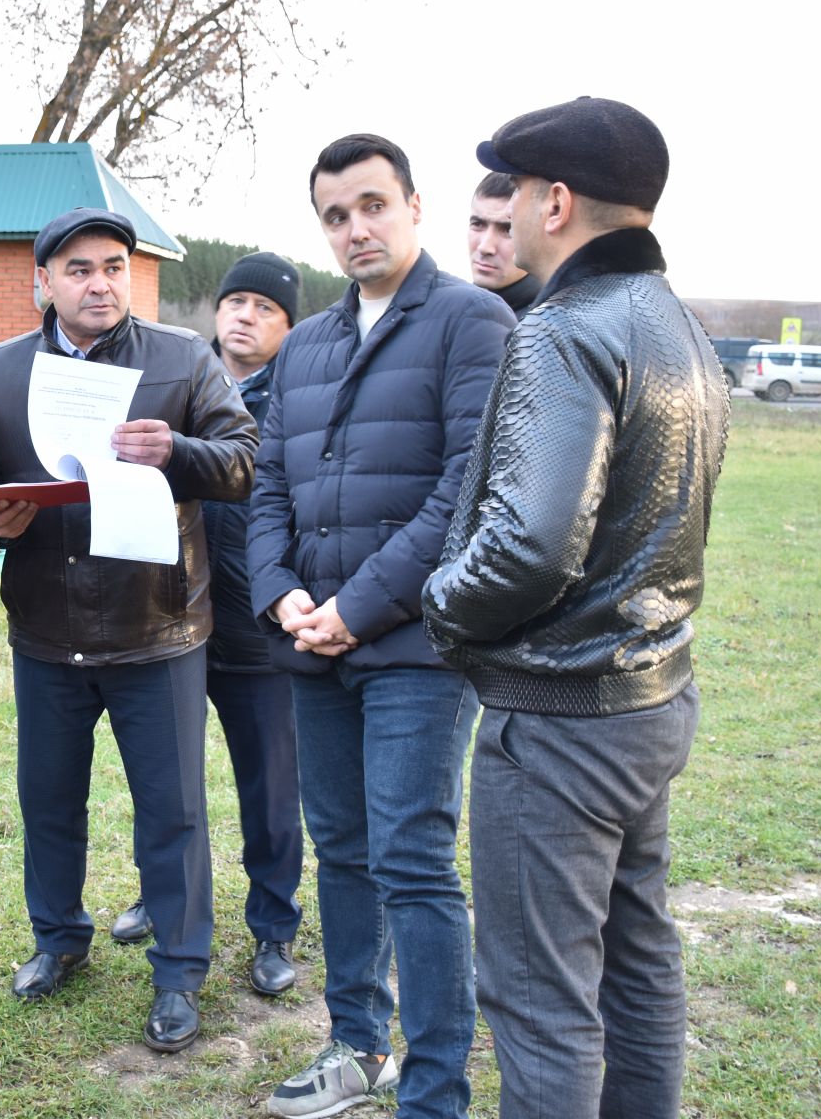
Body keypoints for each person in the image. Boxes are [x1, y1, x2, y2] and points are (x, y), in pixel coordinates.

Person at [424, 97, 729, 1119]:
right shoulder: (678, 323)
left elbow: (529, 543)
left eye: (508, 190)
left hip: (560, 714)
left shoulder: (565, 327)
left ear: (556, 201)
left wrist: (441, 604)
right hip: (648, 700)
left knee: (540, 999)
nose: (499, 212)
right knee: (637, 962)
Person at [246, 134, 513, 1119]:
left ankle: (435, 1085)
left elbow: (464, 495)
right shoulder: (308, 343)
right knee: (343, 849)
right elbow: (268, 482)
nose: (355, 228)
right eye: (335, 214)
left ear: (412, 206)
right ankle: (355, 1044)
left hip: (416, 650)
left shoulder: (472, 322)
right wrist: (280, 593)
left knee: (410, 856)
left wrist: (356, 607)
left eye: (371, 205)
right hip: (311, 647)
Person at [0, 207, 256, 1054]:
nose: (100, 283)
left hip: (156, 625)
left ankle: (180, 969)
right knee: (48, 798)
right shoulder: (4, 370)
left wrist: (178, 450)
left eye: (114, 266)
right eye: (79, 269)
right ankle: (59, 940)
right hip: (46, 627)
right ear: (42, 281)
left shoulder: (182, 358)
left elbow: (243, 462)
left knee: (173, 810)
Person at [108, 253, 306, 1000]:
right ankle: (161, 901)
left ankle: (274, 924)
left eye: (264, 307)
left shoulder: (301, 398)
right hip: (171, 616)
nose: (244, 316)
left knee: (269, 784)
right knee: (166, 784)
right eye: (235, 302)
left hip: (257, 626)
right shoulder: (180, 380)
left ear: (288, 328)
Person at [465, 172, 541, 317]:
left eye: (507, 229)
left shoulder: (553, 328)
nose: (485, 247)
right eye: (478, 224)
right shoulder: (447, 310)